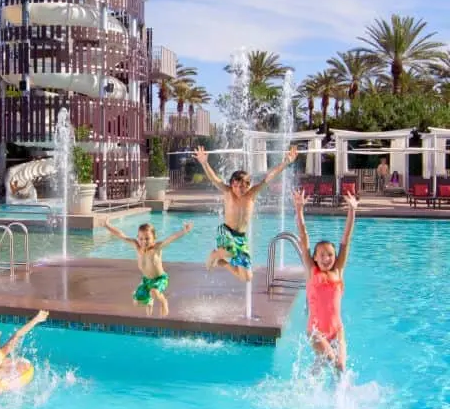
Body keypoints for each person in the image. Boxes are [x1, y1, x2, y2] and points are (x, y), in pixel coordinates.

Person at [194, 145, 298, 281]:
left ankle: (223, 263)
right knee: (230, 251)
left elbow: (269, 177)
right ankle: (214, 254)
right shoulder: (227, 192)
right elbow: (214, 179)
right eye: (236, 186)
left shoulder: (252, 194)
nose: (239, 189)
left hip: (241, 238)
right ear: (231, 184)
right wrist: (204, 163)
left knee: (246, 277)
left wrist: (286, 162)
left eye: (243, 186)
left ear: (249, 185)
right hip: (226, 232)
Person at [293, 188, 358, 374]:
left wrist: (352, 210)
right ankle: (312, 381)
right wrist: (299, 210)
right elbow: (304, 238)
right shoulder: (311, 271)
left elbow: (346, 240)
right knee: (330, 358)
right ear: (315, 257)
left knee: (341, 367)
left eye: (330, 254)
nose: (327, 258)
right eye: (322, 255)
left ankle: (329, 393)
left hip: (337, 330)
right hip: (316, 331)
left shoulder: (338, 271)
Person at [103, 218, 194, 317]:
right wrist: (107, 225)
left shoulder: (156, 248)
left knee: (154, 291)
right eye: (141, 238)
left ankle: (164, 301)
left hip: (160, 279)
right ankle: (149, 301)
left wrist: (184, 231)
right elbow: (121, 235)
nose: (144, 241)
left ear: (154, 238)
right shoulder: (137, 247)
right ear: (137, 237)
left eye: (147, 238)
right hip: (146, 280)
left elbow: (170, 239)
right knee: (136, 302)